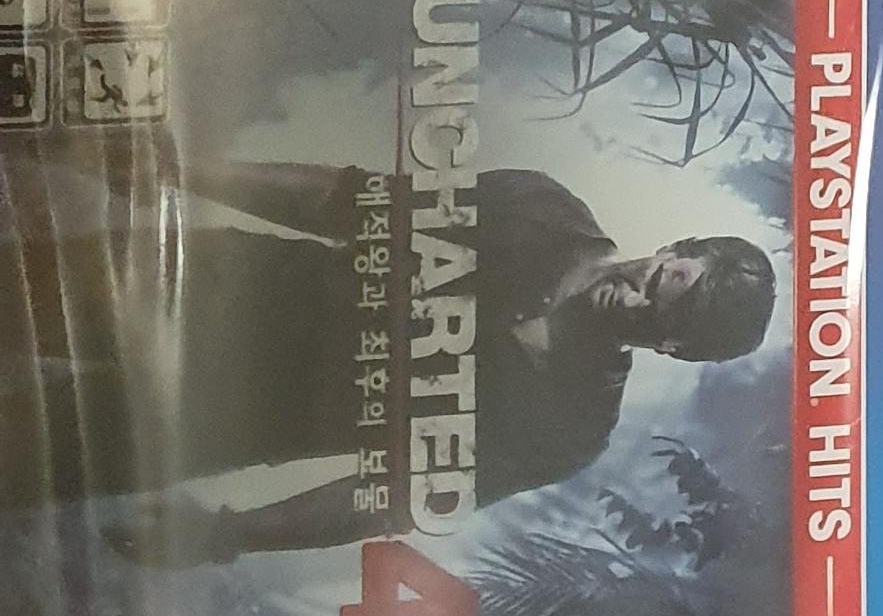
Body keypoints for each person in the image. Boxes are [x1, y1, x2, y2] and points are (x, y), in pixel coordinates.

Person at [87, 174, 777, 556]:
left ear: (671, 350)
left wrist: (224, 534)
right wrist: (173, 170)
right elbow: (341, 201)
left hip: (211, 423)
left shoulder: (573, 427)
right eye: (667, 279)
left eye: (660, 322)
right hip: (202, 279)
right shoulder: (541, 210)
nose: (635, 299)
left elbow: (389, 496)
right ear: (679, 247)